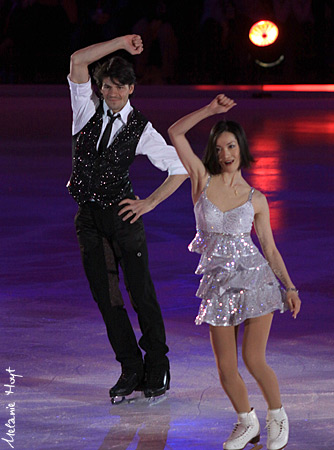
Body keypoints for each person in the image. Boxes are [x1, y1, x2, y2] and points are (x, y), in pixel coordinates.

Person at [168, 94, 301, 450]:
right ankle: (247, 422)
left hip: (256, 281)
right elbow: (175, 133)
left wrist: (289, 287)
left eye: (231, 146)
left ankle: (278, 416)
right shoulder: (202, 180)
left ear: (241, 148)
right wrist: (210, 111)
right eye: (219, 147)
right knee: (226, 368)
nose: (225, 153)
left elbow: (269, 249)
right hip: (217, 286)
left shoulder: (256, 198)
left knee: (253, 359)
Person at [67, 34, 188, 401]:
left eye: (120, 86)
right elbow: (77, 59)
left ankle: (158, 365)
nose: (112, 93)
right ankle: (130, 367)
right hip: (88, 219)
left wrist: (148, 203)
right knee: (107, 299)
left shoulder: (141, 128)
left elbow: (180, 169)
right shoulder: (85, 110)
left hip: (123, 220)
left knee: (140, 294)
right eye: (107, 86)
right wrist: (120, 43)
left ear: (132, 88)